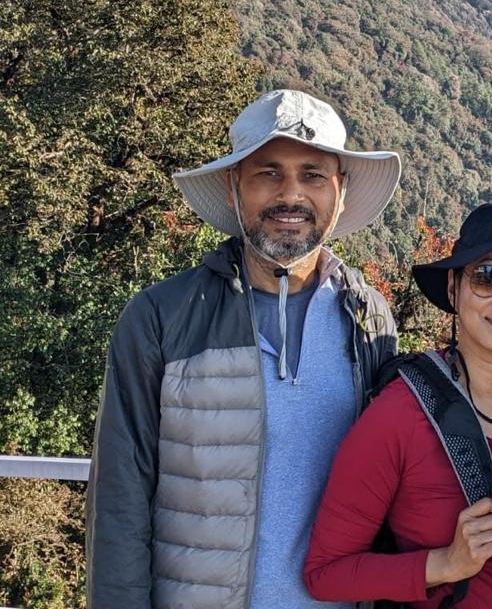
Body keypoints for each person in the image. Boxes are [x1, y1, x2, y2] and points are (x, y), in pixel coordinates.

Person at [85, 89, 402, 609]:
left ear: (340, 192)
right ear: (234, 188)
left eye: (313, 175)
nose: (290, 195)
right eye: (268, 173)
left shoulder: (368, 320)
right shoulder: (163, 317)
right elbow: (120, 496)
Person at [303, 202, 492, 608]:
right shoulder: (398, 415)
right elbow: (325, 573)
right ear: (453, 287)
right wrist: (444, 564)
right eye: (489, 277)